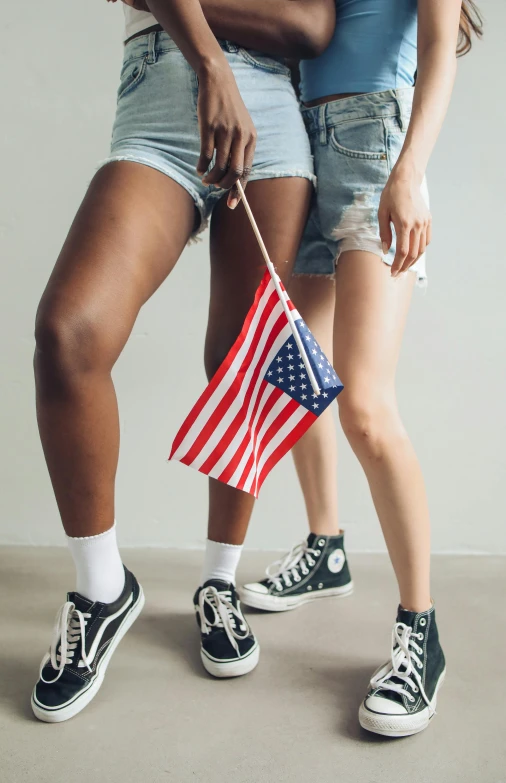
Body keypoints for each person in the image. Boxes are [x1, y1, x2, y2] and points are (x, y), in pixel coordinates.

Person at [30, 0, 336, 722]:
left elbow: (310, 26)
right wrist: (209, 60)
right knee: (69, 334)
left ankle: (219, 581)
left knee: (246, 365)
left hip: (272, 112)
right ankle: (103, 589)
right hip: (163, 94)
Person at [240, 0, 483, 737]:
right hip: (303, 142)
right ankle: (326, 546)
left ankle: (422, 629)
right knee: (294, 368)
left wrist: (410, 169)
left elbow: (440, 45)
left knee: (366, 406)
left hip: (375, 141)